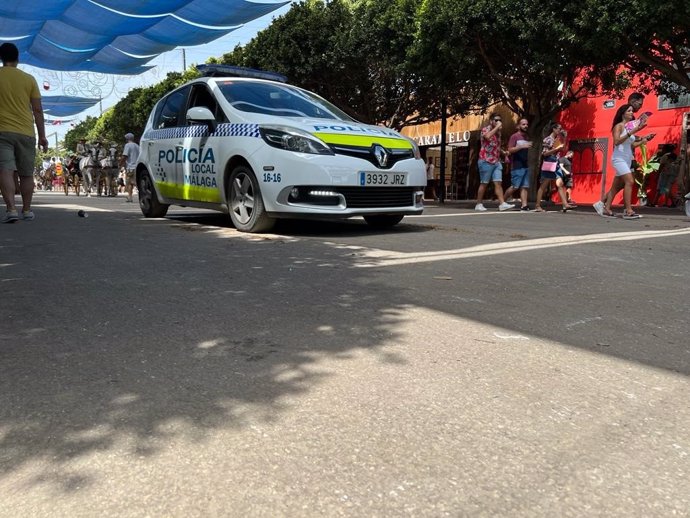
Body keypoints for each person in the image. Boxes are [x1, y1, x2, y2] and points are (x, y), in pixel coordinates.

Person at [0, 42, 48, 222]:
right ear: (18, 58)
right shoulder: (29, 79)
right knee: (26, 173)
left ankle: (11, 209)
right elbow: (37, 110)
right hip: (26, 132)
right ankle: (27, 210)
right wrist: (42, 136)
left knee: (5, 170)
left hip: (2, 131)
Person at [593, 104, 655, 219]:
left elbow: (632, 145)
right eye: (629, 111)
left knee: (616, 186)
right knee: (630, 181)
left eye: (632, 111)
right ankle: (628, 210)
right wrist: (632, 132)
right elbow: (617, 142)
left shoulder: (628, 128)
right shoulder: (619, 126)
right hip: (619, 159)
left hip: (627, 159)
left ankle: (604, 207)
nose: (632, 113)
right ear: (623, 113)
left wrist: (644, 139)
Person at [475, 114, 514, 212]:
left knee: (498, 182)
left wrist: (503, 152)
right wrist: (497, 127)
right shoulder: (485, 129)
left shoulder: (498, 133)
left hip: (496, 161)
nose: (499, 122)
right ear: (491, 121)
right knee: (484, 183)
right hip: (485, 160)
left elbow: (496, 145)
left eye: (500, 120)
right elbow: (487, 137)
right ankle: (478, 204)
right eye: (496, 120)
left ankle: (502, 204)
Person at [534, 122, 574, 213]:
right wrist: (556, 149)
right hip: (549, 163)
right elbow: (544, 153)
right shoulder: (547, 139)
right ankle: (537, 205)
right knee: (544, 185)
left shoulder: (557, 140)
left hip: (556, 163)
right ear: (554, 129)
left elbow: (563, 149)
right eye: (559, 129)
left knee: (559, 184)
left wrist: (564, 138)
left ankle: (565, 204)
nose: (560, 130)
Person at [503, 118, 532, 211]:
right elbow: (510, 149)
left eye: (526, 124)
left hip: (525, 164)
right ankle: (502, 202)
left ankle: (524, 205)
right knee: (515, 186)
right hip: (516, 164)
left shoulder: (526, 137)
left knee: (525, 186)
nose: (525, 126)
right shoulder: (514, 136)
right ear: (518, 126)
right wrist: (521, 146)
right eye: (523, 124)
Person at [120, 132, 140, 202]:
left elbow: (125, 156)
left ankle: (130, 197)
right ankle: (133, 196)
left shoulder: (127, 145)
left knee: (130, 183)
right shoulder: (137, 146)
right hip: (137, 167)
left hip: (130, 167)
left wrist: (120, 163)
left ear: (127, 139)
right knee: (136, 182)